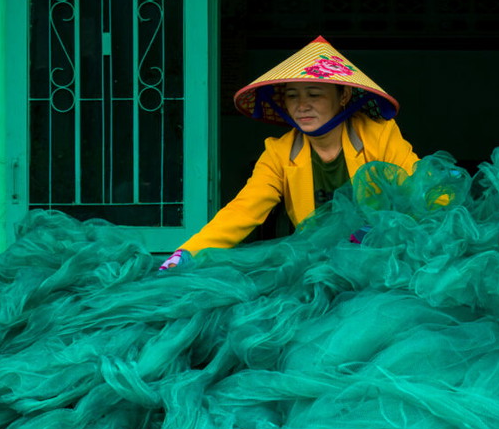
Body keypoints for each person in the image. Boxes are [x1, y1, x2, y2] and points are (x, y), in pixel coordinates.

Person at [158, 36, 418, 269]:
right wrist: (188, 252)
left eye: (314, 94)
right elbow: (244, 209)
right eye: (292, 96)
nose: (302, 106)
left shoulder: (379, 136)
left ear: (344, 96)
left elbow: (419, 190)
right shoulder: (279, 152)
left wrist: (380, 229)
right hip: (317, 266)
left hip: (384, 261)